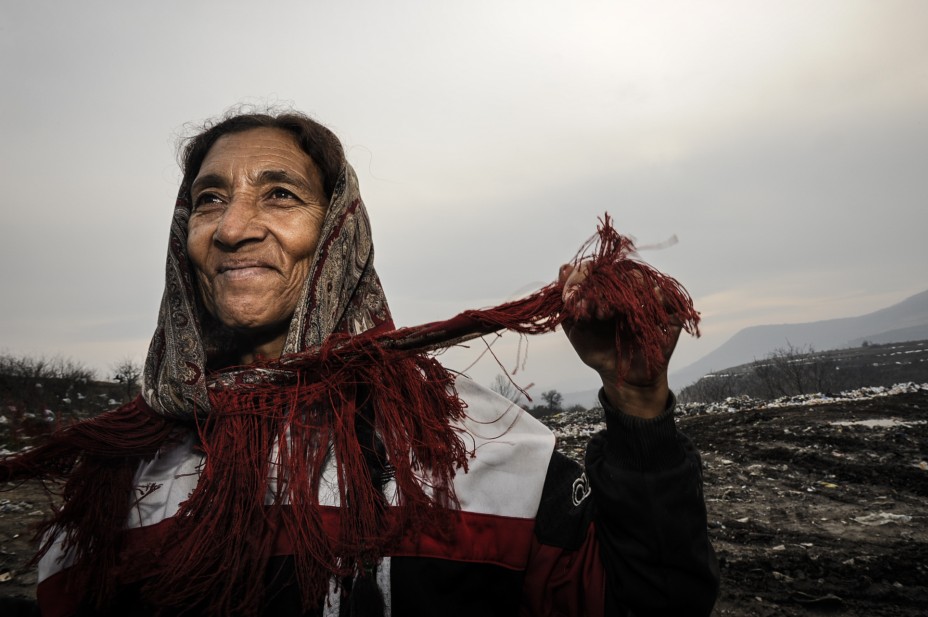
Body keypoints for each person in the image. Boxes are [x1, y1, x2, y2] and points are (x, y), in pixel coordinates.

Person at [18, 111, 718, 616]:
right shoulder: (116, 476)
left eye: (279, 194)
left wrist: (639, 405)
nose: (232, 228)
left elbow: (650, 601)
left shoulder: (475, 445)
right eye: (209, 200)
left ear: (339, 231)